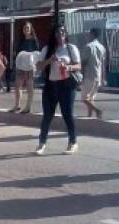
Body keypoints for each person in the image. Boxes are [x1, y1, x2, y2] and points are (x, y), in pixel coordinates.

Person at [35, 25, 81, 155]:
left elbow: (78, 65)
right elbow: (38, 66)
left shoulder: (71, 48)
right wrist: (50, 60)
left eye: (62, 31)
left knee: (67, 114)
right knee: (47, 116)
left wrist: (68, 67)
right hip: (51, 85)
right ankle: (41, 143)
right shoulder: (47, 49)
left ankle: (73, 142)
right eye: (57, 32)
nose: (60, 34)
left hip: (66, 85)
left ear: (65, 34)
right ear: (54, 35)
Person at [11, 21, 39, 114]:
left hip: (30, 66)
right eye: (24, 28)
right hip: (21, 65)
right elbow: (18, 52)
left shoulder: (34, 40)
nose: (26, 30)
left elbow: (36, 53)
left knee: (29, 86)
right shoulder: (21, 40)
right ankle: (17, 105)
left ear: (31, 29)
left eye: (27, 28)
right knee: (17, 85)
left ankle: (28, 106)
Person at [81, 28, 106, 119]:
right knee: (90, 97)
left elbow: (83, 62)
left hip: (89, 74)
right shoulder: (102, 47)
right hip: (97, 75)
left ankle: (97, 110)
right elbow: (103, 64)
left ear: (92, 34)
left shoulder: (88, 46)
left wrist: (81, 75)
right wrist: (103, 78)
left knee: (84, 98)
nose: (88, 34)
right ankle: (89, 115)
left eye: (89, 33)